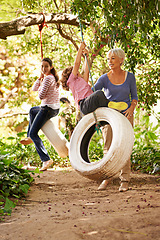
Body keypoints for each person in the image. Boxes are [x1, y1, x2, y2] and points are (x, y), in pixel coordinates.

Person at [93, 48, 138, 192]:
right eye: (108, 58)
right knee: (108, 148)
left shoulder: (129, 77)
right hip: (109, 116)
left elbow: (135, 97)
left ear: (121, 60)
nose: (110, 61)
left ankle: (124, 180)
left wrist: (131, 109)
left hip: (125, 115)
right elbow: (92, 92)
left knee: (124, 148)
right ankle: (107, 178)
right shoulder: (104, 78)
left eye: (113, 58)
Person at [60, 42, 128, 118]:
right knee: (99, 94)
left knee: (106, 98)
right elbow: (77, 64)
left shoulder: (82, 81)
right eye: (77, 71)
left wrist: (87, 57)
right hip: (84, 105)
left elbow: (87, 71)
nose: (78, 72)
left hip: (91, 102)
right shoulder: (71, 81)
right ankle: (110, 105)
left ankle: (113, 107)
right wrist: (80, 49)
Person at [20, 58, 60, 171]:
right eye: (42, 66)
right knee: (33, 110)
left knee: (34, 133)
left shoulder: (48, 78)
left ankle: (46, 159)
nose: (44, 69)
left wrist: (42, 83)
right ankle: (30, 137)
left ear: (51, 67)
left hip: (47, 109)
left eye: (46, 66)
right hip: (53, 108)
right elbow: (34, 88)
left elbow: (40, 96)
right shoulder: (49, 77)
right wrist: (39, 79)